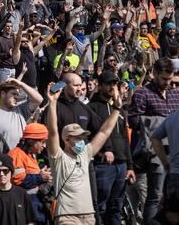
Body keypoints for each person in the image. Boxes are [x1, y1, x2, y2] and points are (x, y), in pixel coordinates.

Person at [45, 79, 123, 225]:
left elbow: (104, 132)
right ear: (67, 140)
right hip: (67, 216)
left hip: (88, 216)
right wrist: (52, 102)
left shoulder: (85, 154)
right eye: (77, 138)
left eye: (83, 137)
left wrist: (117, 109)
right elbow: (52, 132)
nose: (82, 141)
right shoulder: (58, 157)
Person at [129, 57, 179, 222]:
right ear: (155, 74)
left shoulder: (174, 95)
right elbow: (134, 119)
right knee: (155, 195)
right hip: (154, 152)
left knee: (171, 197)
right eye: (164, 78)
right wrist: (162, 124)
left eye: (170, 79)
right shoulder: (143, 93)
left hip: (174, 151)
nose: (167, 82)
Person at [87, 71, 135, 225]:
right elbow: (89, 136)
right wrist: (102, 151)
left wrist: (130, 166)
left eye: (114, 84)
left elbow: (125, 139)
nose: (112, 87)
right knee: (100, 207)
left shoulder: (118, 109)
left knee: (116, 208)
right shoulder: (91, 107)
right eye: (108, 83)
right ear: (99, 85)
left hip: (121, 165)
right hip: (102, 165)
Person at [9, 123, 52, 225]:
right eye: (42, 142)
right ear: (31, 141)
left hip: (34, 202)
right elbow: (18, 181)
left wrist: (41, 174)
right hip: (25, 203)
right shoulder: (16, 155)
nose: (44, 146)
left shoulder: (28, 154)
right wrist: (40, 177)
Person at [0, 79, 44, 149]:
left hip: (22, 157)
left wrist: (21, 84)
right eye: (13, 94)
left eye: (17, 94)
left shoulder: (20, 108)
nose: (16, 97)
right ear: (3, 94)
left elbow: (39, 100)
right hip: (6, 158)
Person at [151, 104, 179, 204]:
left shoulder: (172, 117)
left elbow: (154, 137)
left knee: (172, 214)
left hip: (174, 173)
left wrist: (165, 162)